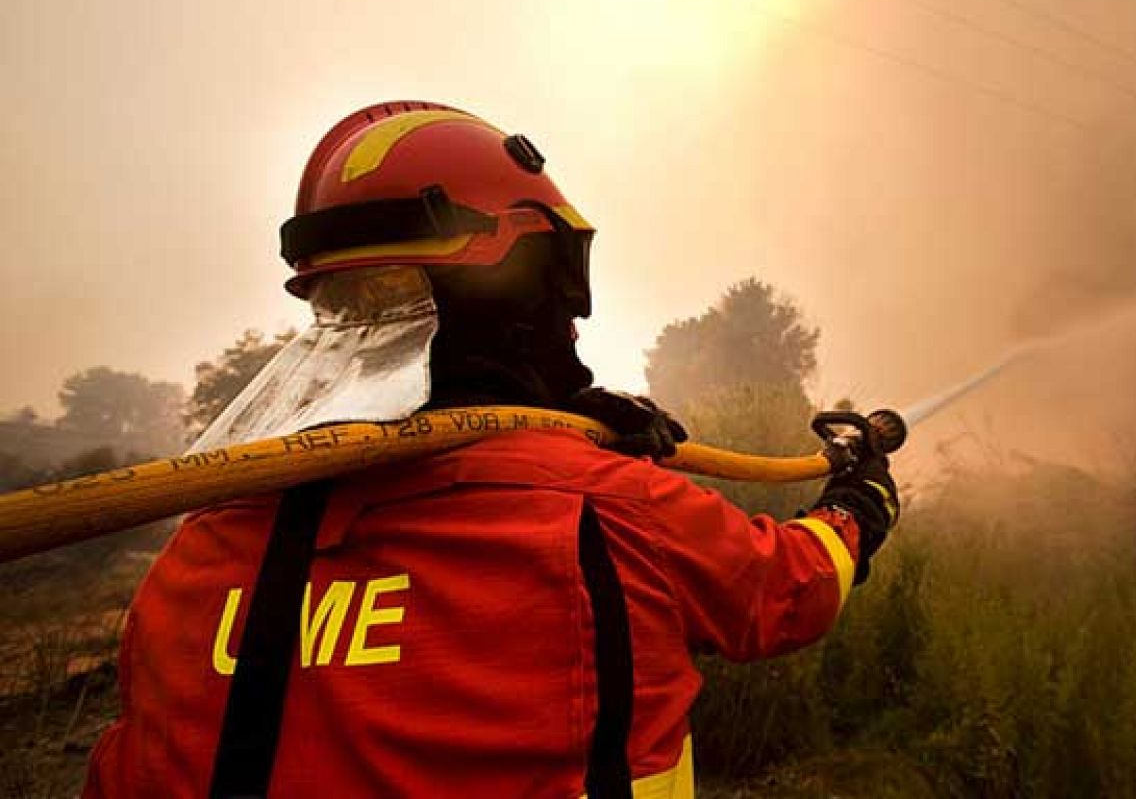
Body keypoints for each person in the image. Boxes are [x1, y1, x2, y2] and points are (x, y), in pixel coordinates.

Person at [83, 102, 898, 798]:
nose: (572, 323)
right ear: (516, 286)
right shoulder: (607, 513)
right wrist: (859, 503)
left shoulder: (191, 562)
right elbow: (787, 587)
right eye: (555, 286)